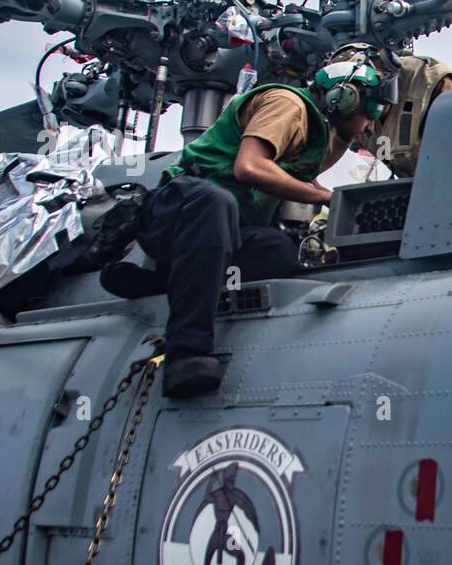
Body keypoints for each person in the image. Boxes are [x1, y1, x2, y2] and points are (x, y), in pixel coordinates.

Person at [100, 54, 397, 398]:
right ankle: (186, 354)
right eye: (371, 112)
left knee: (279, 252)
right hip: (180, 210)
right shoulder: (287, 104)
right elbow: (249, 168)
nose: (371, 126)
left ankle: (163, 283)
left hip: (222, 235)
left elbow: (297, 178)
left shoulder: (319, 133)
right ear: (344, 98)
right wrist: (327, 197)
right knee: (216, 203)